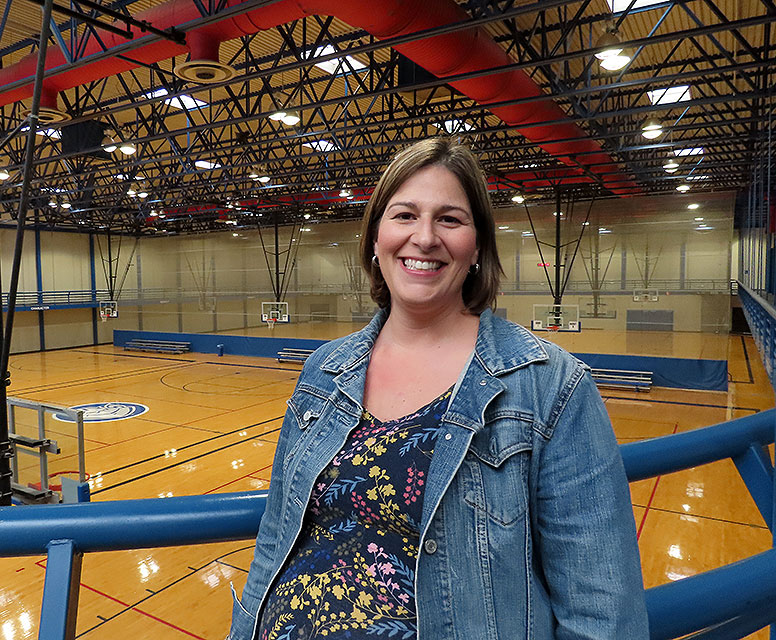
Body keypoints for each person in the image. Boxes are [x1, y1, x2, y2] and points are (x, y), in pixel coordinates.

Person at [228, 138, 648, 639]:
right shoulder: (325, 369)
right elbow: (277, 536)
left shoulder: (550, 386)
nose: (424, 238)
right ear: (375, 238)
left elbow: (602, 610)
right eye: (404, 215)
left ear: (477, 246)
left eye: (449, 219)